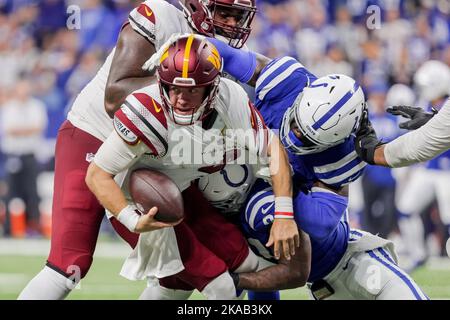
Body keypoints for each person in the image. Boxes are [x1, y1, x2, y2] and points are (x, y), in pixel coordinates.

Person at [18, 0, 260, 300]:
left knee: (179, 277)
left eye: (239, 16)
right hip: (95, 135)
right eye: (226, 13)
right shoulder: (159, 17)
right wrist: (186, 76)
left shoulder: (223, 51)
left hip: (152, 158)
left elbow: (257, 80)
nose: (234, 25)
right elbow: (114, 95)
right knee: (68, 264)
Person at [85, 35, 300, 300]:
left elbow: (272, 148)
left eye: (192, 90)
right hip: (141, 202)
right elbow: (96, 175)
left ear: (212, 88)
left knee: (248, 265)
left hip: (183, 191)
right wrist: (131, 219)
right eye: (174, 89)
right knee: (222, 288)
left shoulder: (229, 99)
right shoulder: (145, 111)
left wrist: (284, 214)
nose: (180, 99)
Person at [195, 37, 367, 300]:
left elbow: (319, 223)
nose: (294, 137)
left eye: (307, 138)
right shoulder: (287, 81)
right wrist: (185, 52)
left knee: (262, 215)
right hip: (233, 160)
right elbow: (221, 53)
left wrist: (281, 189)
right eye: (297, 123)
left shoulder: (342, 155)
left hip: (266, 198)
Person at [356, 60, 450, 271]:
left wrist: (377, 154)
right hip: (429, 170)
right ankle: (419, 254)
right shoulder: (434, 106)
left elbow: (420, 146)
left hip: (446, 173)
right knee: (406, 209)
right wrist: (434, 120)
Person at [0, 79, 48, 236]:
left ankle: (33, 228)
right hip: (13, 156)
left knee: (32, 193)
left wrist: (19, 130)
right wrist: (27, 130)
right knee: (10, 193)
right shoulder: (9, 107)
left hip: (29, 155)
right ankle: (8, 229)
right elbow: (8, 129)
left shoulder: (36, 106)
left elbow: (38, 127)